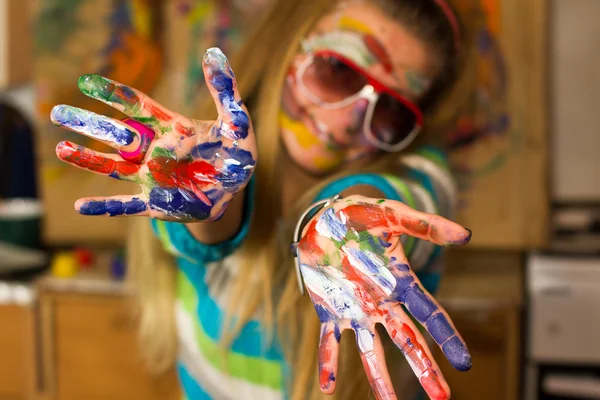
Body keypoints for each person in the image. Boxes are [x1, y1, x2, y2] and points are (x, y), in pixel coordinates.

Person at [49, 0, 475, 399]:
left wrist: (340, 223)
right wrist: (204, 195)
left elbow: (400, 200)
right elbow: (206, 225)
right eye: (336, 71)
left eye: (389, 110)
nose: (348, 121)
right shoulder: (202, 150)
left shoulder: (423, 180)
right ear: (288, 43)